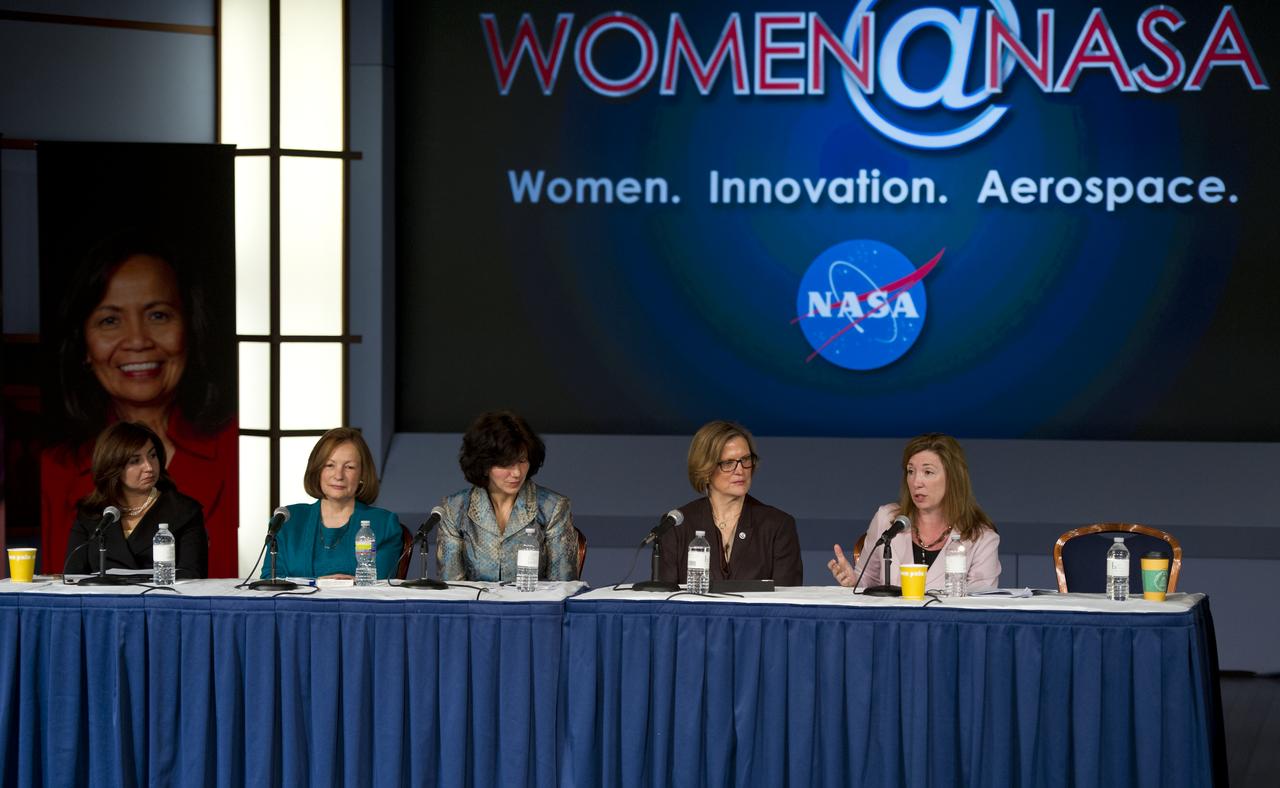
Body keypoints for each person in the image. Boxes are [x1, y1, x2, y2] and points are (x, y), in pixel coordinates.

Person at [42, 232, 238, 577]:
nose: (137, 340)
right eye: (110, 320)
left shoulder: (240, 449)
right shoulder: (59, 474)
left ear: (190, 328)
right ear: (84, 345)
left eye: (158, 315)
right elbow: (69, 579)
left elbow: (196, 580)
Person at [828, 433, 1000, 591]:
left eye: (928, 472)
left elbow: (981, 604)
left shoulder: (981, 538)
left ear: (953, 478)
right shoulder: (887, 520)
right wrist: (852, 581)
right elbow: (867, 581)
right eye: (911, 471)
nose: (916, 481)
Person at [437, 411, 579, 582]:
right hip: (475, 607)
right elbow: (452, 588)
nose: (517, 472)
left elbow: (562, 587)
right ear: (483, 464)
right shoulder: (454, 509)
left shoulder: (553, 507)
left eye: (522, 460)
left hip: (533, 607)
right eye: (506, 464)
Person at [658, 420, 803, 586]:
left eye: (746, 460)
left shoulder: (778, 526)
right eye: (728, 463)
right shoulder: (677, 526)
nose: (740, 470)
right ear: (705, 469)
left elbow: (788, 601)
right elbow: (665, 603)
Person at [64, 421, 208, 577]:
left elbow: (193, 576)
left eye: (152, 456)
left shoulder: (184, 511)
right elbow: (73, 576)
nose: (149, 467)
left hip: (160, 599)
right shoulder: (91, 513)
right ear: (113, 466)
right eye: (135, 461)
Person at [264, 428, 401, 580]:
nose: (338, 475)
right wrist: (319, 583)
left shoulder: (384, 524)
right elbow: (270, 579)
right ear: (317, 470)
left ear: (362, 474)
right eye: (330, 465)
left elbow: (378, 583)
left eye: (349, 467)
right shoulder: (287, 520)